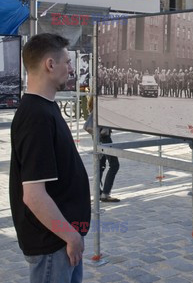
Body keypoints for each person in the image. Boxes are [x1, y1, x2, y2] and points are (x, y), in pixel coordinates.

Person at [9, 33, 90, 282]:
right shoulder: (36, 117)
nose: (71, 68)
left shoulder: (45, 107)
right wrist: (70, 235)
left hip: (61, 240)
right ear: (50, 65)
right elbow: (34, 195)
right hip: (52, 243)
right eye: (67, 61)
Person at [87, 97, 121, 202]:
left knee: (100, 165)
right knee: (114, 164)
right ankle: (105, 194)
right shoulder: (100, 103)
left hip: (98, 137)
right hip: (104, 137)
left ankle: (98, 193)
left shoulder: (94, 101)